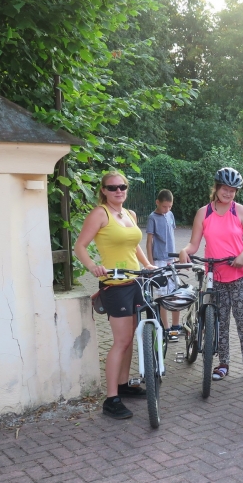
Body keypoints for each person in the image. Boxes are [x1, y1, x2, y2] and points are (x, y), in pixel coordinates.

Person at [75, 171, 155, 419]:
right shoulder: (100, 214)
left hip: (134, 282)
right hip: (114, 285)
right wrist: (93, 267)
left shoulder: (130, 214)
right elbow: (80, 246)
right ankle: (111, 399)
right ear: (104, 191)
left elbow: (134, 244)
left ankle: (123, 384)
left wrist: (147, 265)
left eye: (122, 186)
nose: (118, 190)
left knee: (129, 338)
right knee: (121, 341)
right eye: (112, 187)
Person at [178, 168, 243, 381]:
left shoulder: (240, 211)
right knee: (220, 323)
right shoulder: (203, 213)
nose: (228, 193)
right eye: (225, 189)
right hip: (216, 276)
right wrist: (185, 251)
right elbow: (194, 244)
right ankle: (223, 363)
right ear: (217, 188)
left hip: (240, 274)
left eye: (233, 190)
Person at [146, 189, 181, 341]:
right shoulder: (152, 218)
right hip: (159, 260)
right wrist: (150, 264)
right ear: (157, 203)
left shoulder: (170, 215)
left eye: (169, 206)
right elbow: (149, 242)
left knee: (175, 294)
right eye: (164, 206)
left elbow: (171, 235)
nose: (167, 209)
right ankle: (166, 328)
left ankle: (175, 326)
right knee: (162, 296)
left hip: (171, 260)